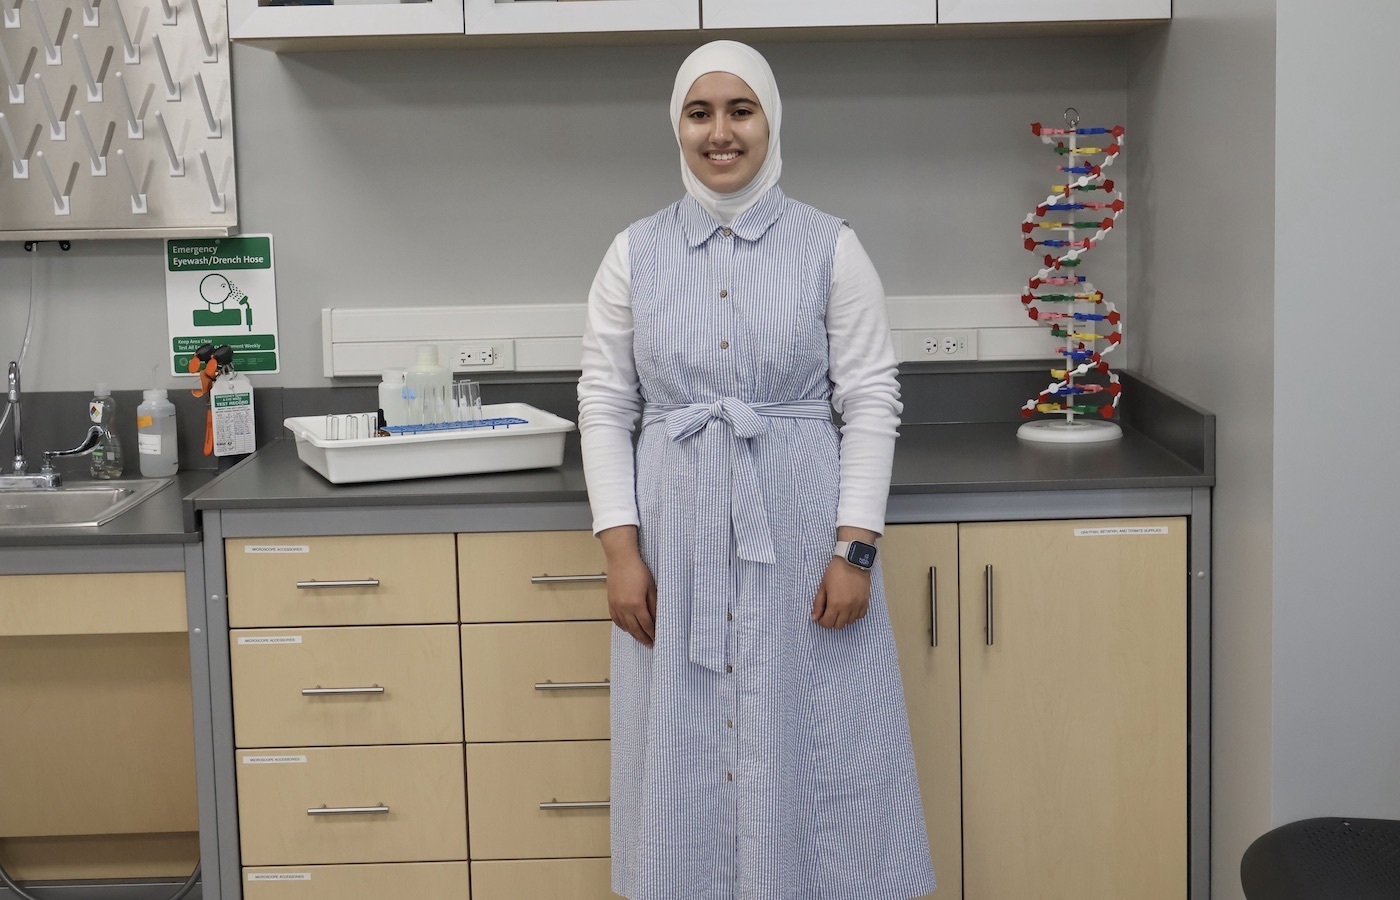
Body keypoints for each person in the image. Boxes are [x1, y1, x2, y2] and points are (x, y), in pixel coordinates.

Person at [577, 40, 935, 900]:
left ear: (771, 120)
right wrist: (621, 554)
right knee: (685, 742)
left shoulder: (831, 246)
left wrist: (854, 552)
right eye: (699, 113)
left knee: (811, 735)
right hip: (676, 538)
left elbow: (872, 400)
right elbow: (604, 403)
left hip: (801, 534)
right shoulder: (633, 252)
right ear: (677, 126)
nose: (720, 132)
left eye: (741, 110)